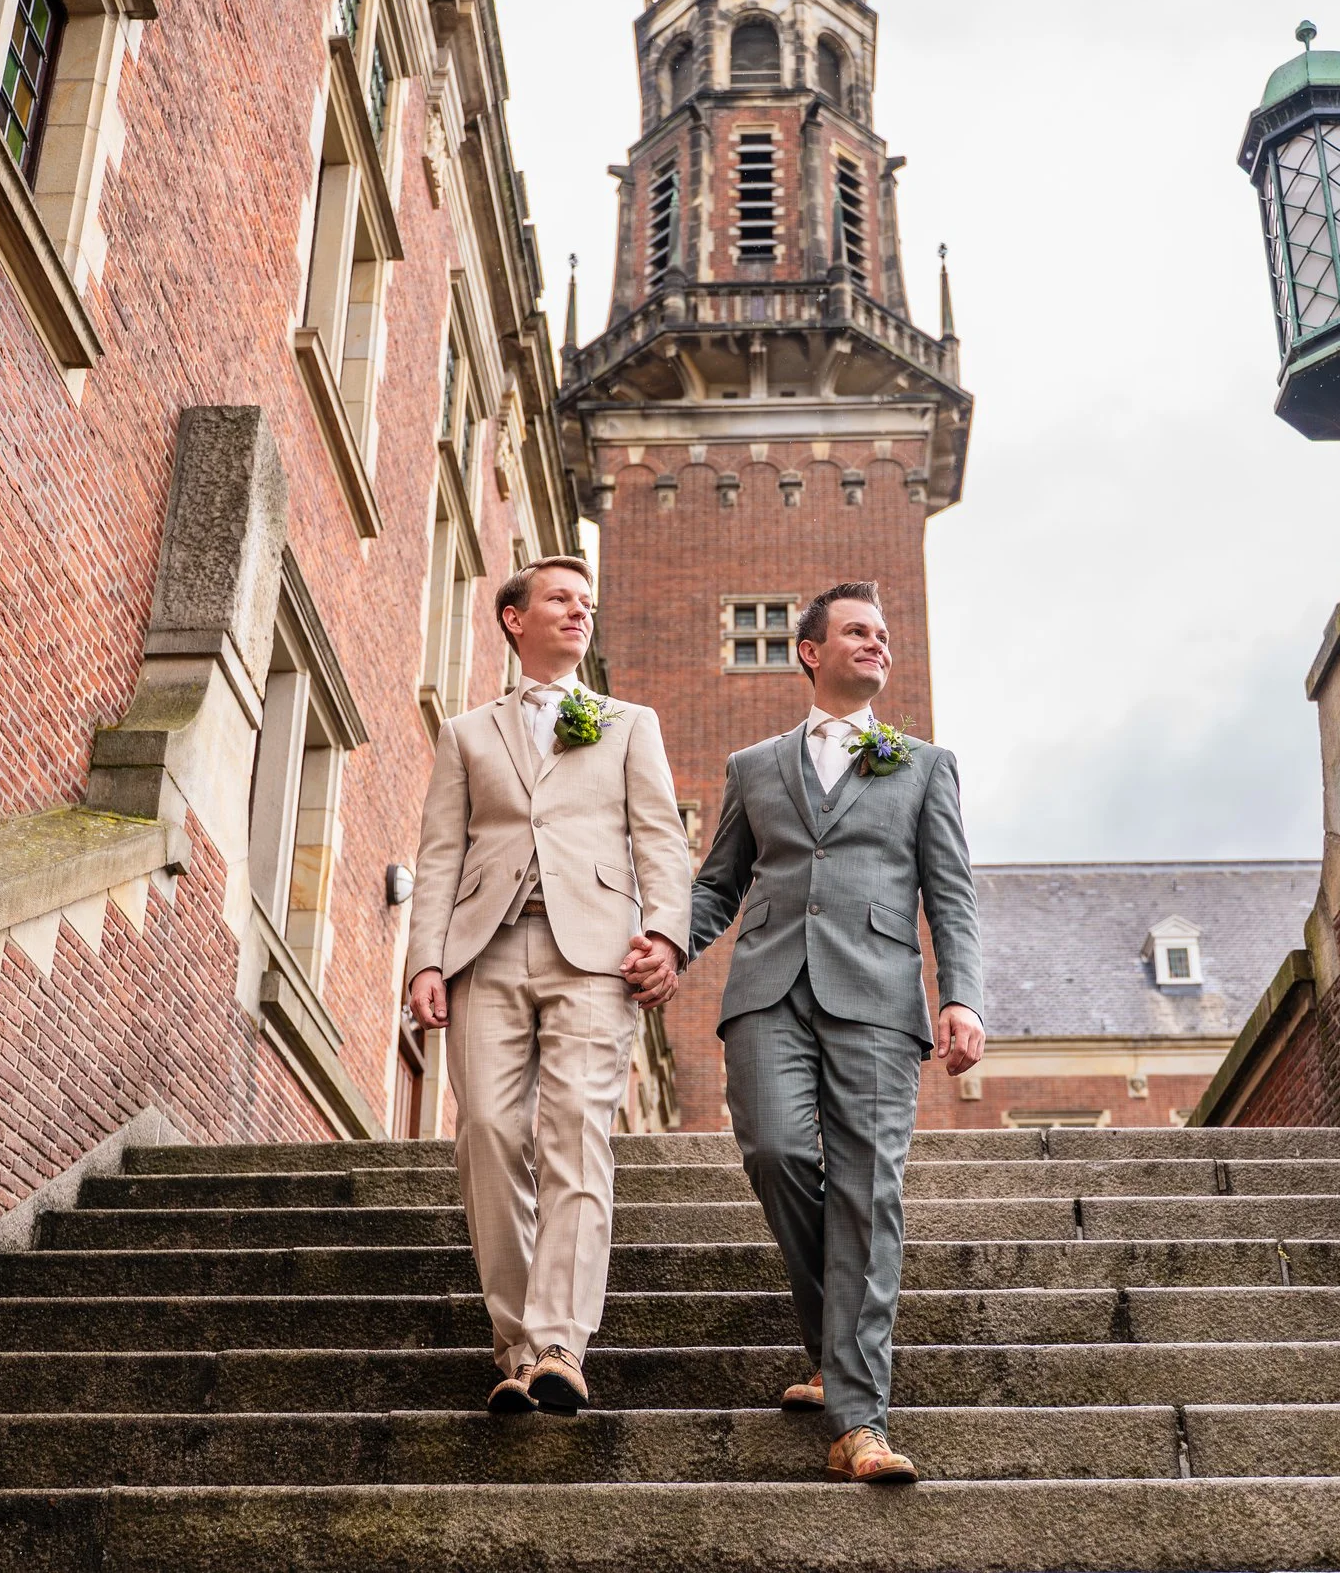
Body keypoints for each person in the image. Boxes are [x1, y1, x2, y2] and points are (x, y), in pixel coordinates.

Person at [686, 580, 985, 1484]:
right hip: (767, 987)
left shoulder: (923, 765)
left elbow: (952, 893)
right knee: (777, 1151)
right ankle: (834, 1341)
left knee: (866, 1192)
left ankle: (859, 1419)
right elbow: (718, 884)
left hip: (880, 994)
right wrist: (666, 943)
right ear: (810, 651)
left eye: (884, 634)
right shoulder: (753, 766)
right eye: (858, 631)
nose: (878, 643)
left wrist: (963, 996)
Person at [404, 557, 690, 1416]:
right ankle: (516, 1345)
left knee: (575, 1131)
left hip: (595, 953)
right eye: (561, 598)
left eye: (587, 603)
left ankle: (561, 1341)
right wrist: (424, 959)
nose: (579, 612)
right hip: (484, 950)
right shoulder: (466, 734)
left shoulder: (629, 724)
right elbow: (439, 855)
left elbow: (660, 839)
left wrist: (666, 935)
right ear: (513, 618)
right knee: (487, 1132)